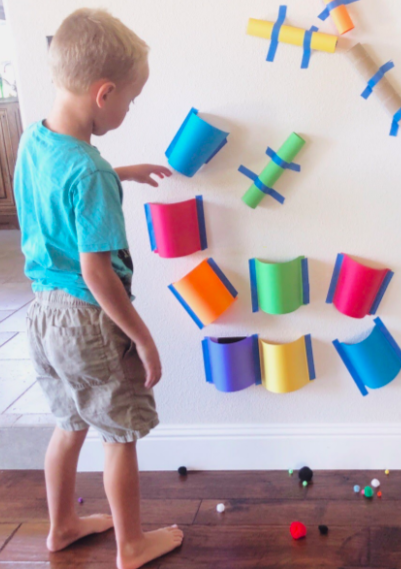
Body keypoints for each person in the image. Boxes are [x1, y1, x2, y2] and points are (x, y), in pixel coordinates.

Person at [14, 9, 183, 569]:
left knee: (69, 424)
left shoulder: (34, 142)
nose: (129, 110)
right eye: (130, 101)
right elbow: (97, 272)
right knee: (119, 434)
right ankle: (130, 546)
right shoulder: (90, 174)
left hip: (42, 315)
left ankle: (61, 525)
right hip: (88, 318)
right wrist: (143, 338)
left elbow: (64, 186)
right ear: (104, 93)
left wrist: (119, 172)